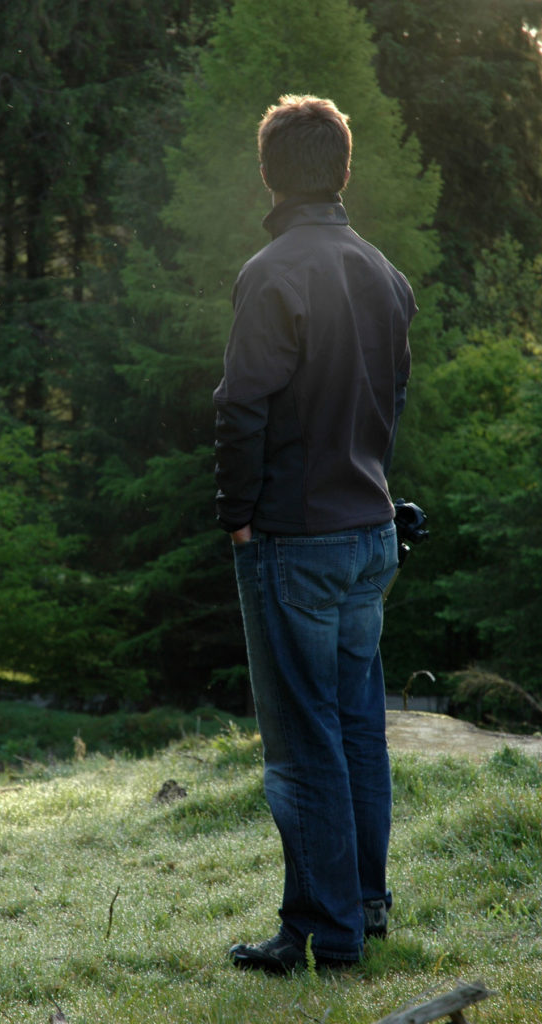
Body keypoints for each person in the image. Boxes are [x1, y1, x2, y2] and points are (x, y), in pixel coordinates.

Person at [213, 95, 417, 973]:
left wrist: (237, 516)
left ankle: (328, 937)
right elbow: (390, 404)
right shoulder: (384, 273)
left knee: (302, 749)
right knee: (358, 729)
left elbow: (240, 407)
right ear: (341, 169)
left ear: (269, 173)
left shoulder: (272, 272)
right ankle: (358, 911)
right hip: (369, 530)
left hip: (294, 537)